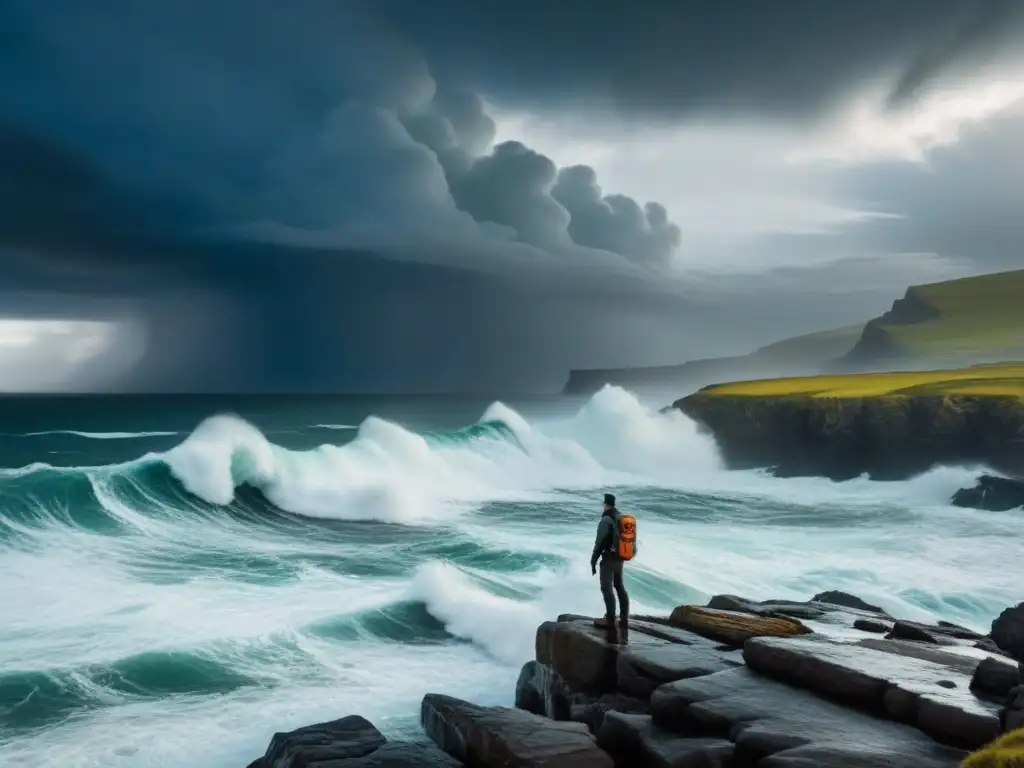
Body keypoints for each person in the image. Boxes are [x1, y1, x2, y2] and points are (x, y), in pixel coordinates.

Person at [590, 492, 630, 643]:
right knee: (619, 586)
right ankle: (624, 618)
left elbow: (599, 542)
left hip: (609, 557)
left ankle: (611, 619)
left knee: (606, 587)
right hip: (620, 557)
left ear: (606, 504)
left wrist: (593, 560)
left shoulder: (606, 519)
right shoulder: (621, 517)